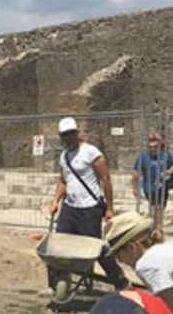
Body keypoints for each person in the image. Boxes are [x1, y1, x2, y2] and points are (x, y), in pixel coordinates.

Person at [47, 117, 128, 292]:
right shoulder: (64, 156)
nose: (68, 138)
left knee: (96, 248)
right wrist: (55, 200)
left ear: (77, 133)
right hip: (70, 208)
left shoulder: (91, 152)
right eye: (64, 135)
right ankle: (57, 284)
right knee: (58, 246)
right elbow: (63, 181)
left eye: (71, 134)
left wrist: (109, 208)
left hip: (89, 209)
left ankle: (120, 281)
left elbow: (105, 179)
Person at [131, 134, 173, 228]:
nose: (153, 149)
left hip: (163, 187)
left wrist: (170, 171)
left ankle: (154, 223)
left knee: (161, 207)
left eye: (155, 147)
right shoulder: (143, 157)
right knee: (156, 206)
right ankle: (156, 226)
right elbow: (135, 173)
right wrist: (135, 188)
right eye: (151, 147)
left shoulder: (165, 155)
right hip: (149, 187)